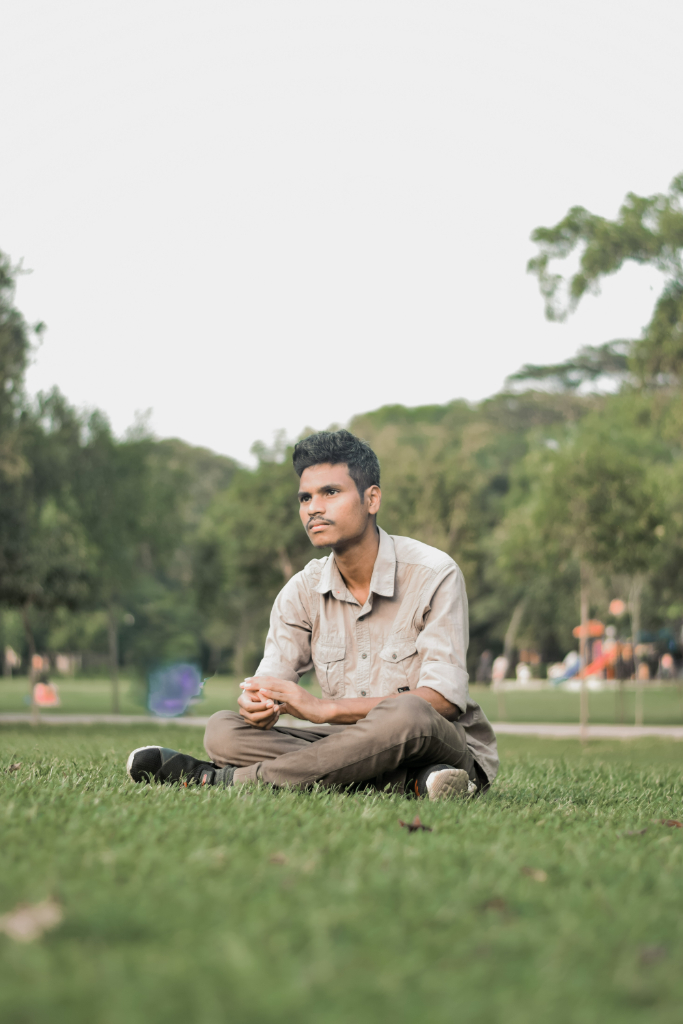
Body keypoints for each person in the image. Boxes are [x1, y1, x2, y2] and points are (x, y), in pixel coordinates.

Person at [127, 430, 498, 800]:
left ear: (372, 499)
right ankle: (414, 782)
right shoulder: (301, 590)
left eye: (330, 493)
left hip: (435, 738)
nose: (313, 508)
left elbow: (444, 700)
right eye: (305, 497)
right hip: (345, 743)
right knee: (222, 730)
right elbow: (268, 683)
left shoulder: (434, 573)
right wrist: (258, 703)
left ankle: (222, 780)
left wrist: (324, 708)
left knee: (408, 713)